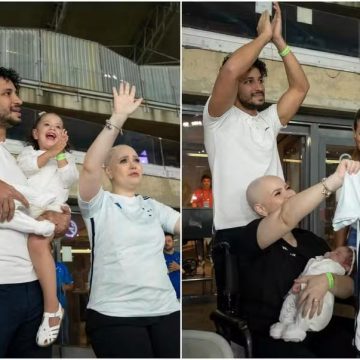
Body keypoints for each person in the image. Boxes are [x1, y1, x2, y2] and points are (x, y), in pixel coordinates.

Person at [204, 3, 310, 299]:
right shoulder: (217, 117)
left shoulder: (268, 120)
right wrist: (262, 37)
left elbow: (300, 88)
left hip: (274, 225)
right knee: (240, 315)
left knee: (283, 305)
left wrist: (279, 42)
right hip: (236, 232)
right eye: (248, 82)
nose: (257, 87)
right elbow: (230, 70)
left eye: (260, 80)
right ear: (235, 87)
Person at [213, 159, 360, 357]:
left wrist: (327, 280)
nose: (290, 194)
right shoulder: (249, 237)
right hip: (272, 333)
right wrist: (334, 180)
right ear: (261, 210)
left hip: (316, 326)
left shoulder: (311, 241)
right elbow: (284, 216)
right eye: (278, 193)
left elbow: (350, 287)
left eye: (287, 188)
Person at [78, 81, 180, 358]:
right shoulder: (98, 204)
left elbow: (189, 224)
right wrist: (118, 117)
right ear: (108, 171)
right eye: (123, 161)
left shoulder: (153, 205)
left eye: (136, 159)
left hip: (166, 310)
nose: (134, 163)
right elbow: (88, 168)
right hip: (115, 313)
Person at [0, 67, 71, 358]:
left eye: (16, 93)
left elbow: (31, 205)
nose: (17, 100)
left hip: (31, 288)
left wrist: (58, 220)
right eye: (7, 94)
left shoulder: (12, 159)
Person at [270, 246, 355, 342]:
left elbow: (317, 274)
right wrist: (298, 282)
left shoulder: (335, 267)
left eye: (337, 253)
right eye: (334, 250)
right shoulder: (320, 260)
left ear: (345, 266)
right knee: (289, 302)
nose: (332, 252)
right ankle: (285, 324)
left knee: (309, 306)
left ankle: (299, 328)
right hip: (301, 289)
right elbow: (306, 272)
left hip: (316, 297)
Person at [334, 109, 360, 248]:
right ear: (355, 134)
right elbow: (342, 215)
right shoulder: (349, 170)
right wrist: (339, 250)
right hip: (356, 237)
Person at [56, 261, 74, 345]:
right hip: (44, 307)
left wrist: (65, 287)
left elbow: (70, 285)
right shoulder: (40, 263)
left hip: (62, 305)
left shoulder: (61, 266)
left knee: (64, 333)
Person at [163, 232, 181, 299]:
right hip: (168, 297)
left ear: (173, 242)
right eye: (165, 241)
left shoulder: (180, 255)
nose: (167, 243)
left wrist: (179, 267)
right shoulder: (160, 258)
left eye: (169, 241)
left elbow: (186, 272)